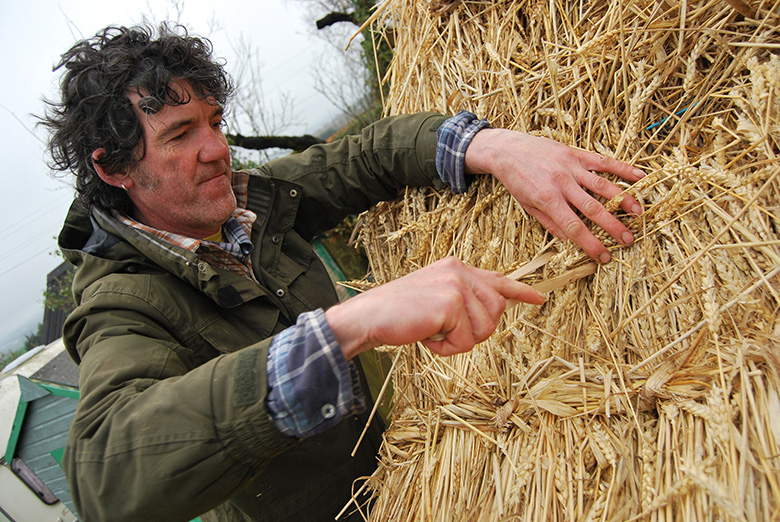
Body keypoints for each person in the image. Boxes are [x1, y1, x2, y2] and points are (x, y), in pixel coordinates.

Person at [45, 23, 644, 522]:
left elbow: (367, 156)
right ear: (116, 168)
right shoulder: (120, 305)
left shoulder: (250, 203)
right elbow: (106, 476)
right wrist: (345, 328)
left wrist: (492, 148)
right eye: (180, 134)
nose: (217, 149)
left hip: (433, 477)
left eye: (215, 122)